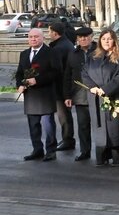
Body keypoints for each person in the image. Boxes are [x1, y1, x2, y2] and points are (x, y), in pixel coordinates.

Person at [82, 30, 119, 166]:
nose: (106, 41)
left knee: (115, 128)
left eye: (109, 39)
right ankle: (102, 156)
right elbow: (84, 73)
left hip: (114, 97)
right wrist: (92, 87)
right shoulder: (93, 56)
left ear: (114, 40)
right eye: (103, 39)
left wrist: (105, 89)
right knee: (100, 128)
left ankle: (117, 156)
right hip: (96, 98)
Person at [16, 29, 60, 162]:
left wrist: (38, 80)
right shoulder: (24, 54)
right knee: (33, 125)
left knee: (48, 125)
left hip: (45, 94)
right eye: (30, 37)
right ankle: (37, 149)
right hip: (30, 96)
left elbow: (56, 72)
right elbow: (19, 73)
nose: (33, 39)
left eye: (36, 37)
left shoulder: (51, 52)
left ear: (42, 38)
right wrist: (20, 84)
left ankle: (51, 151)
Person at [64, 27, 97, 161]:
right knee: (83, 125)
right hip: (80, 95)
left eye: (86, 36)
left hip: (97, 94)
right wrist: (67, 95)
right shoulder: (73, 53)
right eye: (80, 37)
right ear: (77, 39)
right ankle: (85, 151)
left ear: (92, 37)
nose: (83, 39)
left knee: (100, 125)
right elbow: (68, 75)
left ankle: (104, 151)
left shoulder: (99, 51)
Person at [48, 23, 76, 152]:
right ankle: (67, 138)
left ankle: (68, 139)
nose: (48, 34)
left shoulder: (58, 48)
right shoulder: (67, 44)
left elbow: (57, 70)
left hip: (60, 87)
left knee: (63, 115)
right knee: (65, 114)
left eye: (49, 32)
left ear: (55, 33)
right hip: (66, 85)